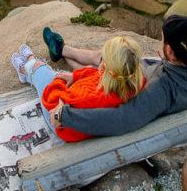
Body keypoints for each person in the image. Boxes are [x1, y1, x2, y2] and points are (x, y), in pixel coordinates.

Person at [43, 14, 187, 136]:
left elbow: (122, 119)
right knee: (98, 62)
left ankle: (62, 50)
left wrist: (65, 116)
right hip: (140, 71)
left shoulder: (161, 90)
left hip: (128, 81)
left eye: (162, 39)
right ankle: (62, 50)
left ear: (169, 50)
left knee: (101, 62)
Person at [11, 36, 145, 142]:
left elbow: (51, 101)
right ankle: (30, 65)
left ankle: (27, 67)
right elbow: (94, 74)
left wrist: (59, 80)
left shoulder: (89, 98)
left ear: (103, 67)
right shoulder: (131, 79)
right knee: (57, 74)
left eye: (102, 57)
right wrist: (74, 76)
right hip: (75, 106)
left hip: (60, 124)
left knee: (39, 69)